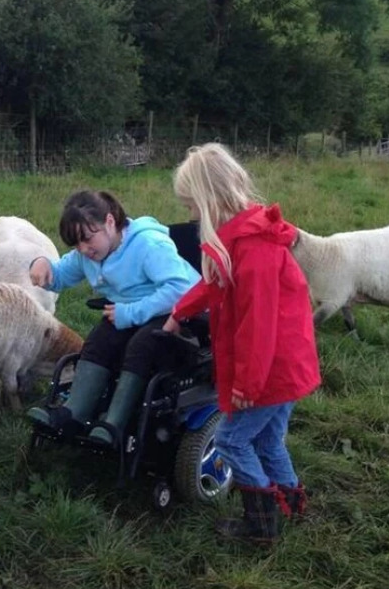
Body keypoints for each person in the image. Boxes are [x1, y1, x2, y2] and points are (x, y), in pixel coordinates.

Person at [162, 143, 320, 546]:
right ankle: (293, 506)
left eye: (192, 206)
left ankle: (261, 526)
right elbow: (214, 283)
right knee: (267, 440)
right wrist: (180, 310)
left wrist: (247, 387)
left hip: (271, 371)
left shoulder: (254, 249)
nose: (191, 216)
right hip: (285, 365)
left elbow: (258, 327)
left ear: (210, 200)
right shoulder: (240, 237)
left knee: (231, 441)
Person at [28, 188, 200, 445]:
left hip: (180, 311)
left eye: (87, 239)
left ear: (110, 221)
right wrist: (42, 264)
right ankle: (73, 412)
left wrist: (130, 313)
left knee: (142, 345)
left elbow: (180, 290)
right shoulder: (89, 254)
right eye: (76, 244)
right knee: (100, 339)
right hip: (132, 310)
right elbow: (62, 273)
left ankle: (114, 424)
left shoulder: (148, 244)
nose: (83, 249)